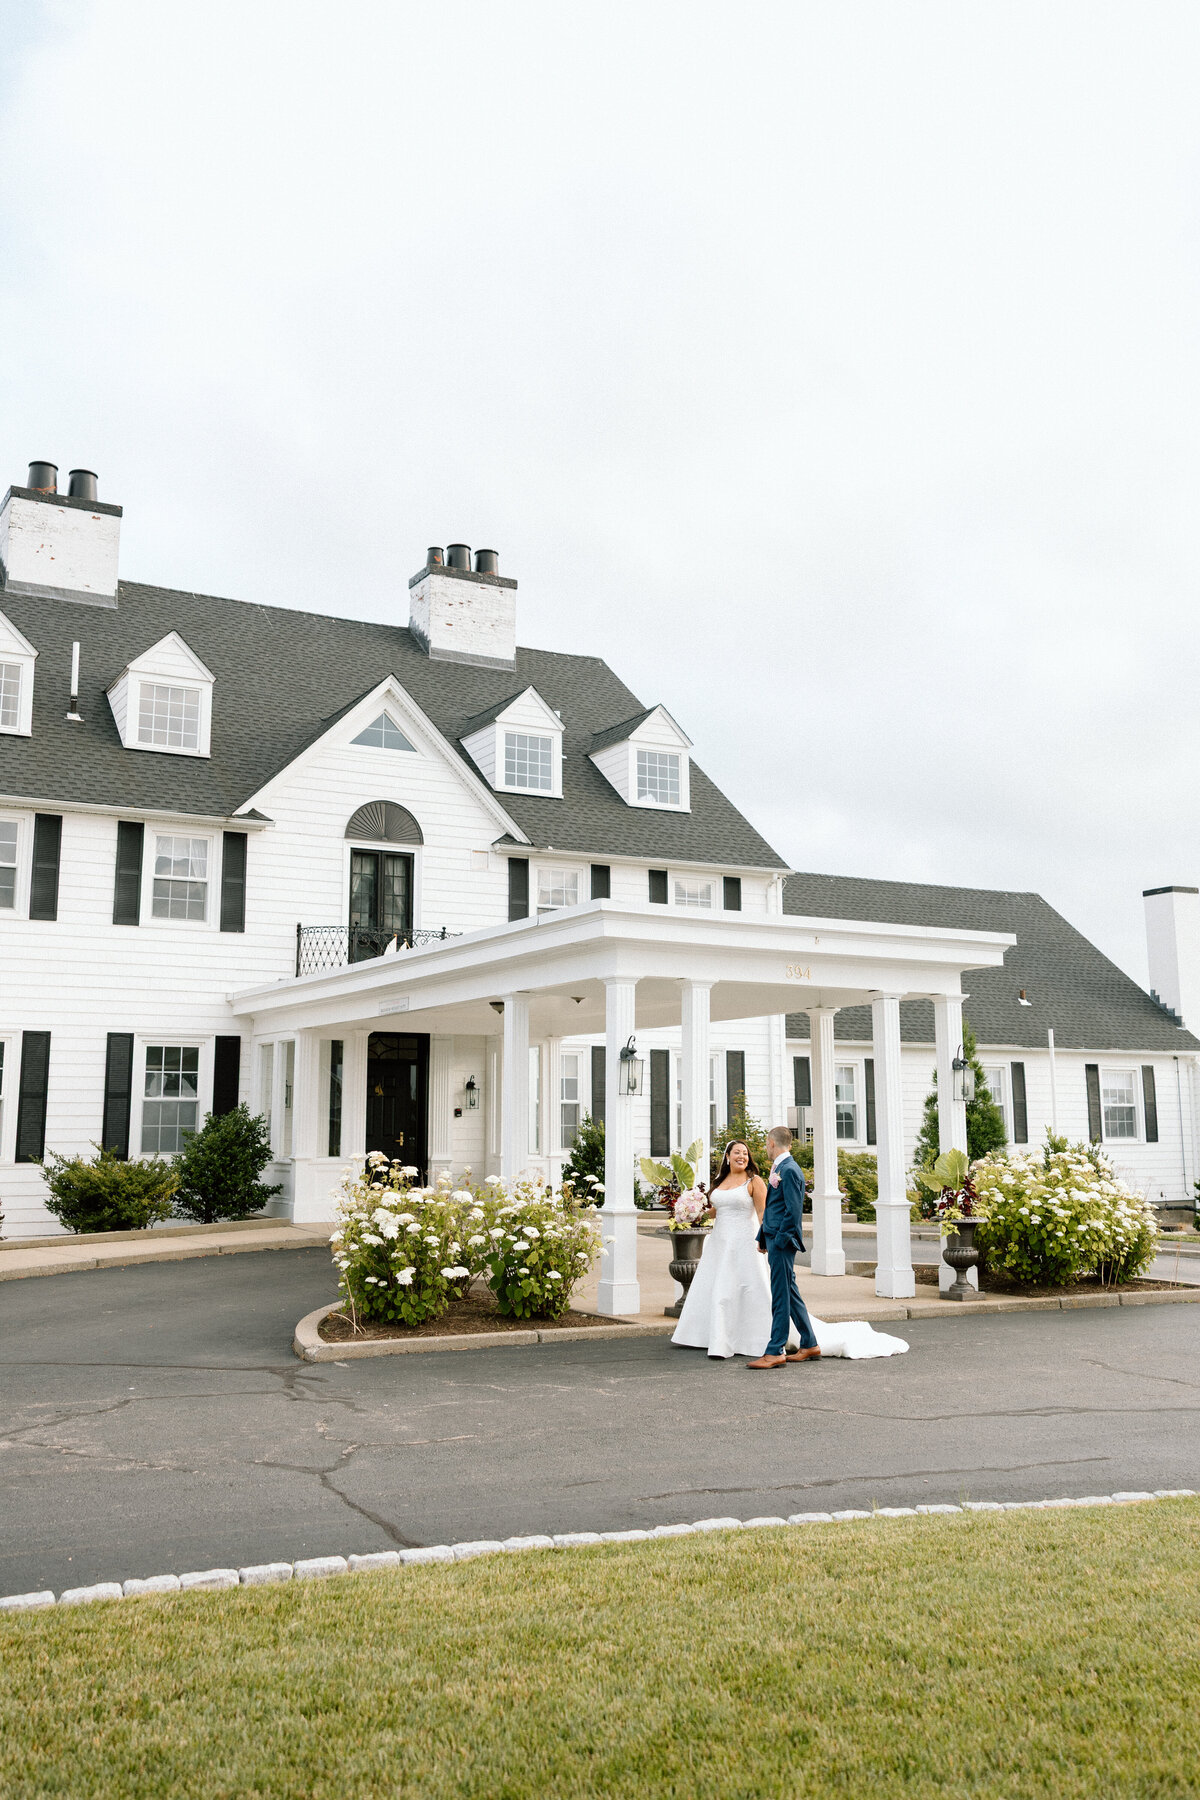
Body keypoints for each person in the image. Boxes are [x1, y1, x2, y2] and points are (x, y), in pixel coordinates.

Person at [671, 1130, 909, 1363]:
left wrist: (774, 1240)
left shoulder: (780, 1173)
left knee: (778, 1295)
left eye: (746, 1152)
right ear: (727, 1156)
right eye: (737, 1152)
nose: (743, 1155)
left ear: (772, 1144)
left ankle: (774, 1350)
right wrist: (691, 1211)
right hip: (726, 1243)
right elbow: (728, 1209)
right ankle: (810, 1343)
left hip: (759, 1243)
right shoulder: (758, 1173)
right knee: (786, 1293)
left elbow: (782, 1212)